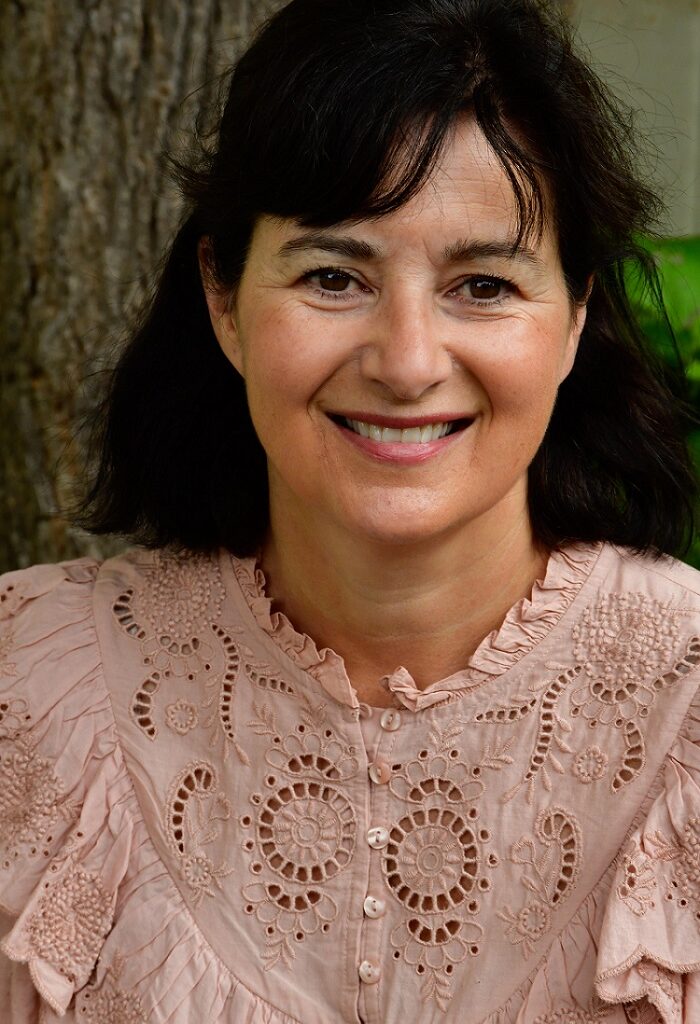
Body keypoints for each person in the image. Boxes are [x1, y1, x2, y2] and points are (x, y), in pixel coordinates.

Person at [0, 0, 699, 1020]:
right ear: (224, 299)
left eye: (483, 285)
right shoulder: (28, 685)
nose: (407, 362)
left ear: (574, 316)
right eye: (333, 277)